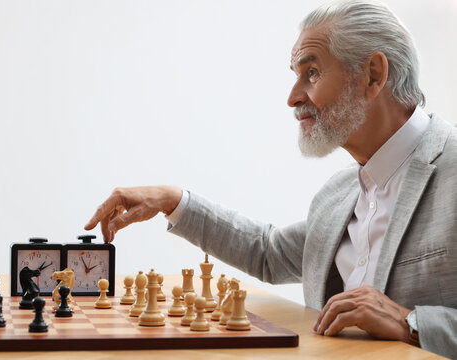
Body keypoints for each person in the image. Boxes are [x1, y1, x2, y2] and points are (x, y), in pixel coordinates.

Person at [84, 1, 457, 357]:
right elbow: (270, 254)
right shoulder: (338, 194)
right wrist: (174, 200)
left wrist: (413, 323)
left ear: (373, 75)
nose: (293, 97)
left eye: (311, 73)